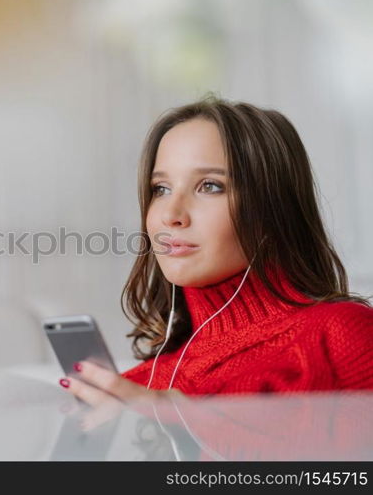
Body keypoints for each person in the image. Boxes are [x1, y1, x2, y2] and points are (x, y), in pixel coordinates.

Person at [58, 94, 373, 427]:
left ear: (272, 207)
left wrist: (186, 419)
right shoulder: (139, 383)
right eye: (160, 188)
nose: (171, 215)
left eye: (209, 186)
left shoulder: (340, 334)